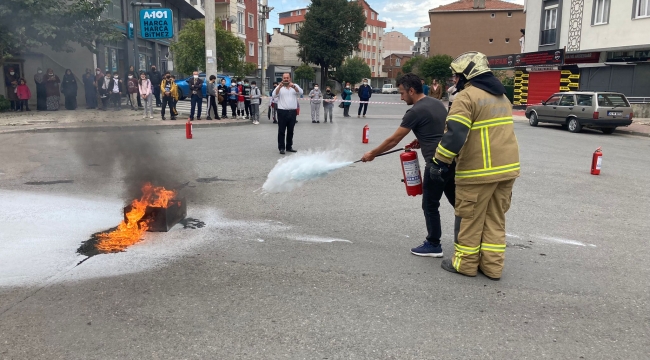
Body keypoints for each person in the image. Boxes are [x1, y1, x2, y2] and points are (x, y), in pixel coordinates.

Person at [432, 51, 520, 280]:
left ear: (467, 74)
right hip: (506, 171)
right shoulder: (502, 97)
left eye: (456, 76)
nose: (453, 80)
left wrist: (439, 161)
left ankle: (465, 264)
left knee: (469, 220)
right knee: (495, 219)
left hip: (478, 172)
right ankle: (492, 267)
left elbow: (455, 134)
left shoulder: (467, 97)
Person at [360, 73, 453, 257]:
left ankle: (434, 244)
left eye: (402, 93)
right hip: (451, 159)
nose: (401, 97)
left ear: (411, 90)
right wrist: (421, 140)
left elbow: (393, 140)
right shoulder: (436, 103)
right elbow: (439, 129)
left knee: (430, 204)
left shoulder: (415, 111)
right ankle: (473, 239)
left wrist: (372, 154)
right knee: (458, 202)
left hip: (435, 163)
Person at [274, 73, 303, 154]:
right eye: (284, 78)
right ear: (282, 78)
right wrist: (279, 87)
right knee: (281, 131)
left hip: (292, 112)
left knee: (290, 130)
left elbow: (301, 92)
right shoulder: (280, 86)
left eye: (287, 78)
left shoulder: (294, 85)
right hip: (282, 112)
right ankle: (281, 148)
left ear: (290, 78)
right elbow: (273, 95)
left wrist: (293, 86)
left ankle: (289, 146)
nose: (286, 79)